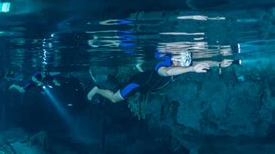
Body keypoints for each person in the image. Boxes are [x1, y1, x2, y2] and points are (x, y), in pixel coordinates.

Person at [87, 51, 234, 103]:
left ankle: (139, 69)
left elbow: (203, 62)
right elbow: (166, 72)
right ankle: (97, 90)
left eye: (184, 61)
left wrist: (218, 63)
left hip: (147, 82)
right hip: (138, 83)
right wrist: (190, 69)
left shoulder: (181, 62)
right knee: (114, 98)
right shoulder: (164, 66)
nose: (180, 63)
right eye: (178, 60)